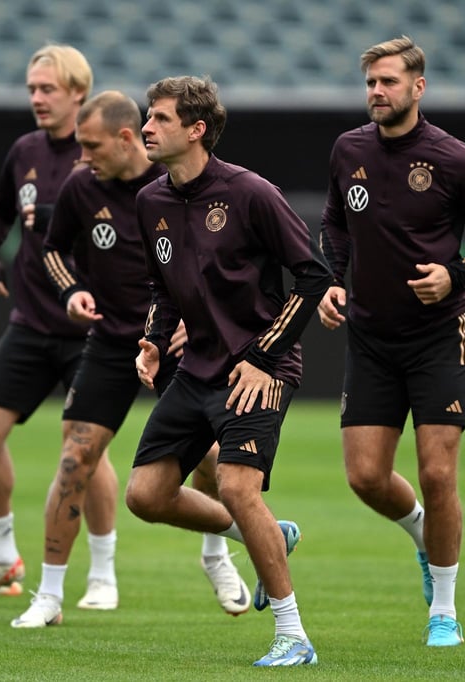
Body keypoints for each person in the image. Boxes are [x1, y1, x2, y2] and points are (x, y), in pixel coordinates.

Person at [10, 91, 251, 628]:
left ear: (125, 139)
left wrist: (194, 318)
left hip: (180, 344)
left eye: (91, 144)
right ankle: (49, 597)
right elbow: (53, 248)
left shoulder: (173, 185)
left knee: (211, 460)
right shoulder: (81, 186)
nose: (82, 155)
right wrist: (72, 290)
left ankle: (216, 554)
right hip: (112, 340)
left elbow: (215, 263)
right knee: (75, 457)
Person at [316, 36, 465, 647]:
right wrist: (332, 281)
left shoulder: (452, 158)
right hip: (372, 338)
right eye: (370, 83)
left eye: (387, 82)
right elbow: (334, 220)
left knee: (437, 473)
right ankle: (420, 534)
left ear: (418, 87)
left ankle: (444, 608)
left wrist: (455, 272)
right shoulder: (348, 149)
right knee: (364, 478)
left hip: (438, 335)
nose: (377, 93)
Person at [126, 76, 333, 667]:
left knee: (240, 487)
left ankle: (293, 637)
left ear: (196, 130)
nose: (147, 127)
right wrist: (155, 341)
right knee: (145, 496)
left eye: (160, 119)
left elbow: (313, 277)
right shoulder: (151, 202)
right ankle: (269, 532)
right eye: (147, 117)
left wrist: (263, 357)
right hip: (197, 369)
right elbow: (162, 288)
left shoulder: (251, 193)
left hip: (262, 367)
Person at [0, 44, 115, 607]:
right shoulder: (25, 151)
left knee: (83, 449)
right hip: (33, 320)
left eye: (48, 89)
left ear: (78, 94)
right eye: (31, 89)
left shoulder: (102, 154)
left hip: (93, 329)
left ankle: (103, 573)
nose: (37, 99)